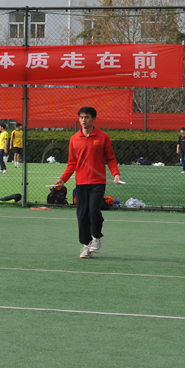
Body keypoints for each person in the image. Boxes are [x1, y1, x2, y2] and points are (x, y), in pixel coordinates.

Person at [52, 106, 122, 259]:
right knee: (82, 214)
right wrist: (63, 180)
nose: (83, 120)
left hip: (98, 182)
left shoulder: (103, 137)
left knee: (93, 210)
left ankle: (96, 238)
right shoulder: (74, 139)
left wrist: (116, 174)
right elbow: (72, 163)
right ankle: (86, 244)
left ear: (93, 119)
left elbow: (111, 158)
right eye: (81, 117)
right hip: (81, 183)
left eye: (87, 117)